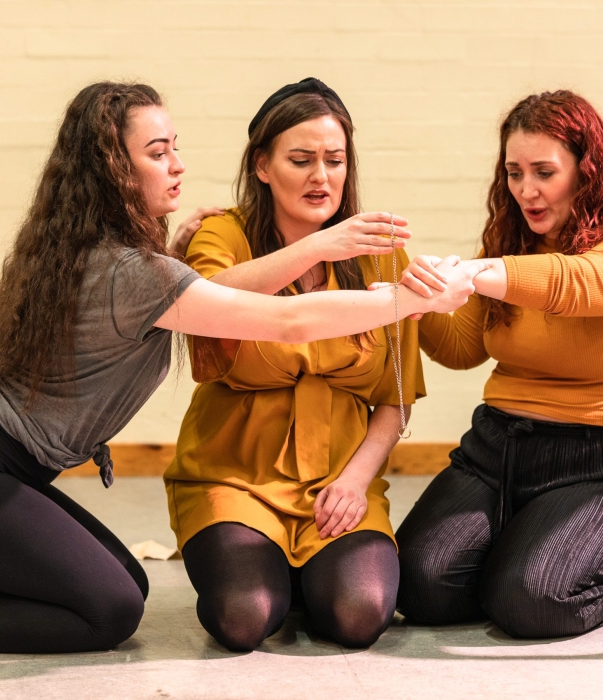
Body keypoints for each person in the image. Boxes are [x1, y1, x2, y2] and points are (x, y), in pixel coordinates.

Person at [0, 82, 483, 654]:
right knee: (108, 612)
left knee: (127, 585)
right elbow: (286, 323)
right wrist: (410, 298)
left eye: (175, 147)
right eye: (158, 153)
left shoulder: (120, 257)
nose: (178, 165)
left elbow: (411, 376)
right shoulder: (135, 273)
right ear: (115, 169)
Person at [165, 78, 428, 652]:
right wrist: (318, 246)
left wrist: (357, 482)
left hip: (338, 480)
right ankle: (269, 573)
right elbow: (203, 300)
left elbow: (397, 396)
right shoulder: (224, 233)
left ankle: (307, 574)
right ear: (262, 165)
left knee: (360, 616)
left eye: (334, 160)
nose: (321, 177)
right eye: (301, 160)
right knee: (244, 616)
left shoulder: (381, 248)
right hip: (233, 476)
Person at [394, 90, 603, 638]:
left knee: (528, 600)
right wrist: (413, 286)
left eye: (544, 171)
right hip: (496, 451)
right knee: (416, 585)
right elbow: (463, 348)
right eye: (514, 172)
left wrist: (476, 272)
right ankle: (533, 548)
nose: (526, 190)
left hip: (595, 460)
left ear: (587, 171)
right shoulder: (510, 245)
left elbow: (575, 285)